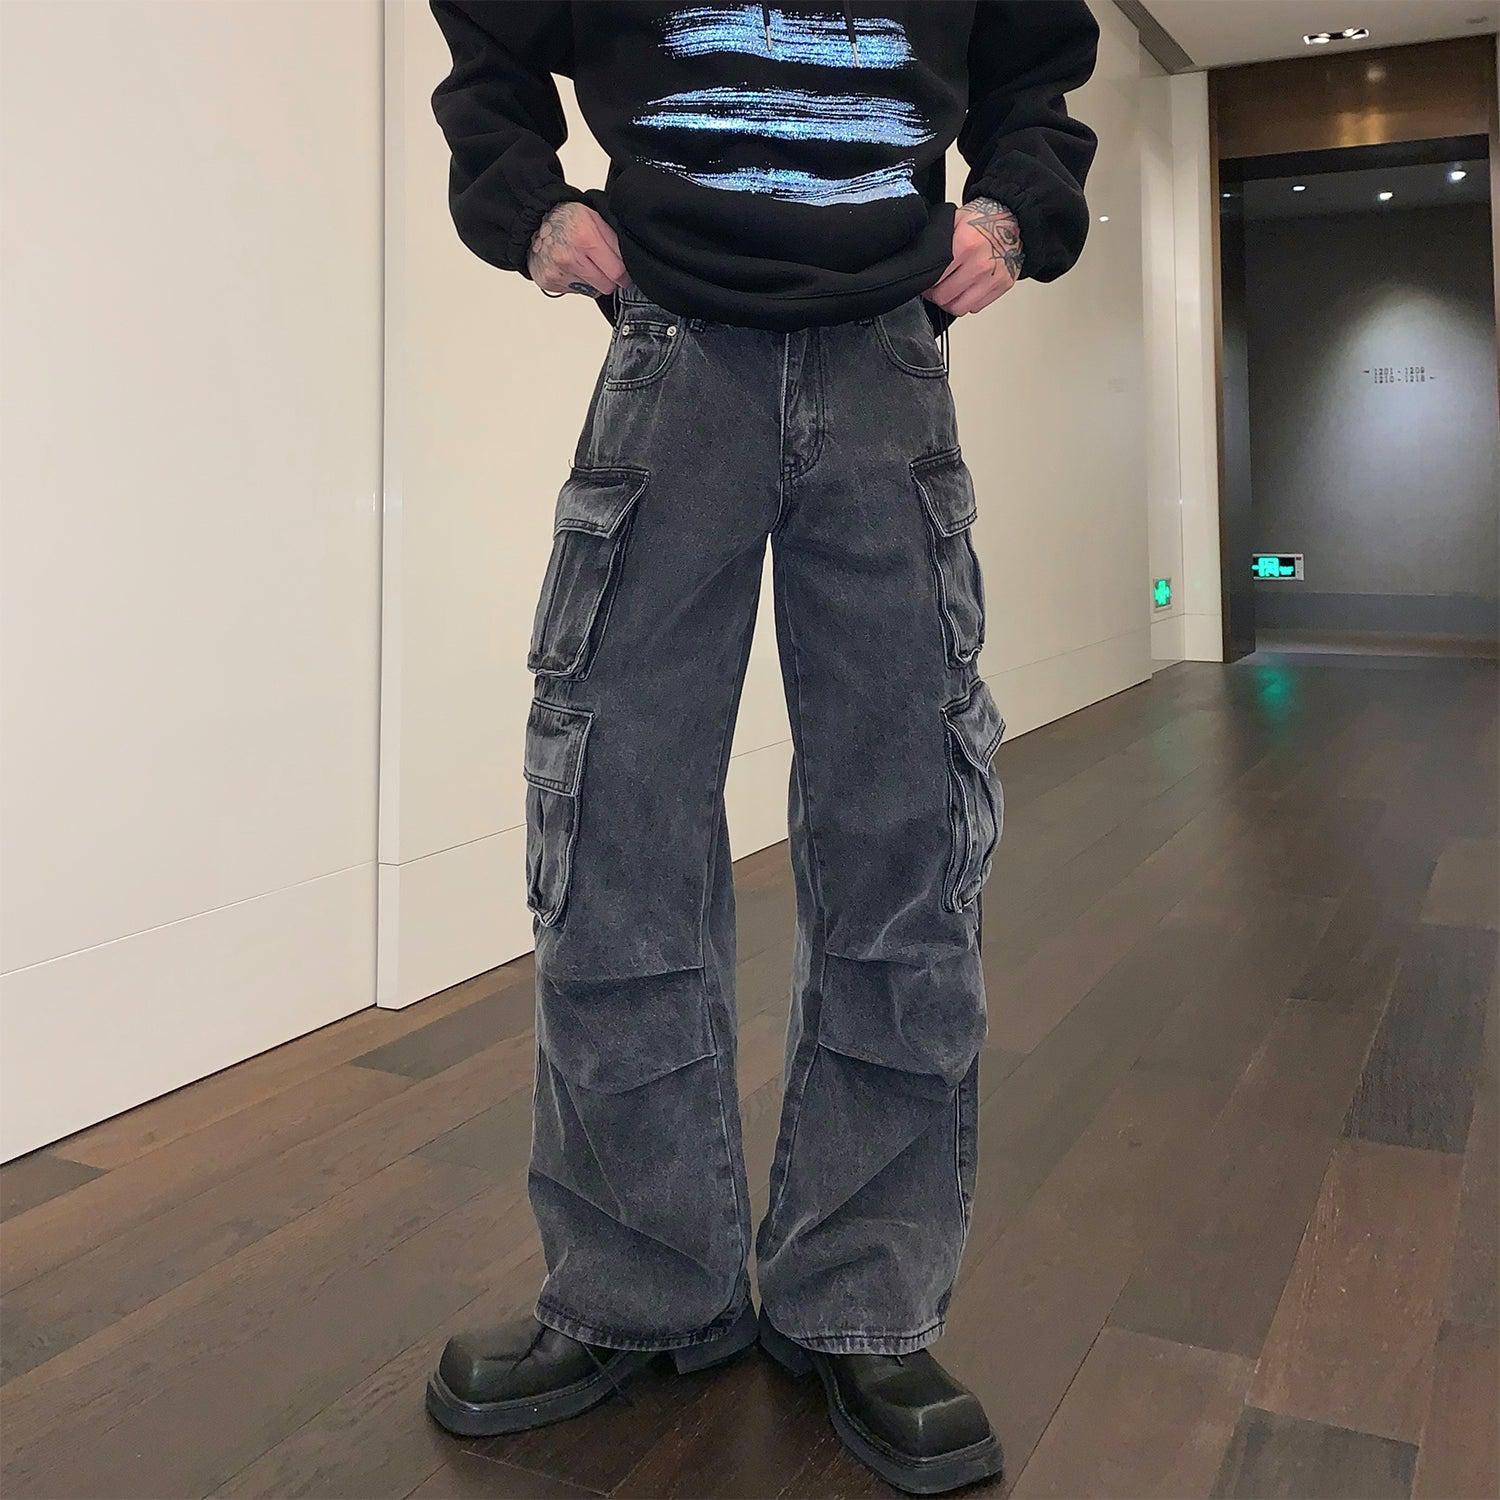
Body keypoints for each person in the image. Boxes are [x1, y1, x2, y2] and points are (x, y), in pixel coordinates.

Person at [424, 3, 1097, 1491]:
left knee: (907, 834)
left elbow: (1040, 59)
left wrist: (1013, 208)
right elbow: (487, 46)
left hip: (887, 354)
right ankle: (637, 1284)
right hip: (673, 347)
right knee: (616, 826)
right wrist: (524, 203)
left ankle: (861, 1294)